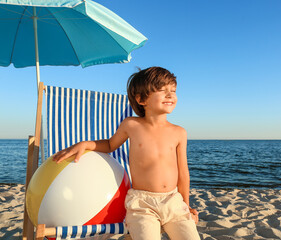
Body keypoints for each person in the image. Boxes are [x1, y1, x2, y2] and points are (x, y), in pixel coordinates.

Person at [53, 67, 201, 240]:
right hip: (142, 204)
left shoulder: (179, 132)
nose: (170, 95)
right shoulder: (131, 125)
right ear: (141, 99)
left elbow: (183, 173)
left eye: (173, 91)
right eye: (162, 90)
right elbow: (109, 144)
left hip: (174, 201)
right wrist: (85, 144)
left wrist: (186, 206)